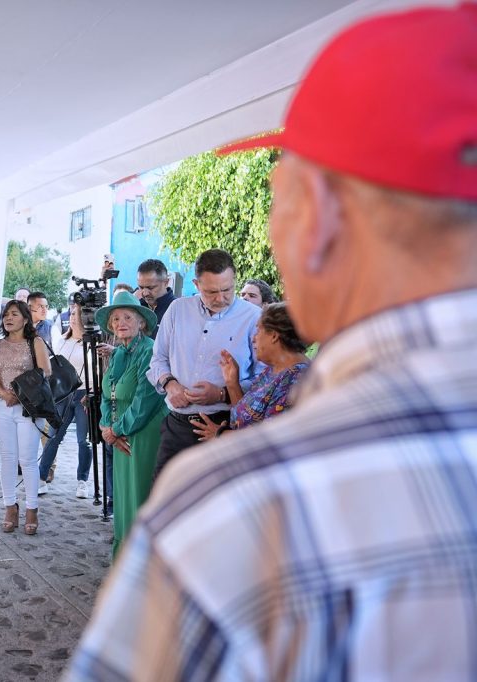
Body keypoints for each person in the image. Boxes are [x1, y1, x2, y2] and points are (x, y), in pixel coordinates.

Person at [67, 6, 477, 679]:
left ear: (314, 216)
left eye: (279, 189)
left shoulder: (242, 508)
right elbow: (160, 365)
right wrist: (170, 385)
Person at [147, 248, 262, 481]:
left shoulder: (254, 317)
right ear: (196, 284)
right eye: (211, 292)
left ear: (235, 280)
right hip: (176, 427)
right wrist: (170, 384)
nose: (220, 298)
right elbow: (157, 359)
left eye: (227, 290)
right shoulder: (178, 309)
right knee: (167, 502)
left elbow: (264, 381)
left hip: (225, 426)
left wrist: (221, 394)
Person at [93, 292, 166, 556]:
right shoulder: (120, 353)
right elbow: (106, 394)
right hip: (120, 433)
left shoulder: (149, 351)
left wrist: (116, 430)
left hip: (143, 433)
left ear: (141, 323)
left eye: (127, 317)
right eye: (115, 319)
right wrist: (105, 427)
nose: (120, 322)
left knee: (138, 497)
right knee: (123, 498)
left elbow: (144, 400)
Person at [192, 301, 310, 440]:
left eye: (258, 331)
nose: (254, 338)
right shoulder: (273, 370)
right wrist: (232, 382)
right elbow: (247, 416)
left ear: (274, 335)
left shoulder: (295, 379)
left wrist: (220, 434)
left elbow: (270, 439)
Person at [0, 301, 52, 535]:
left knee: (28, 460)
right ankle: (9, 506)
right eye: (5, 314)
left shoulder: (35, 342)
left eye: (14, 314)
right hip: (2, 406)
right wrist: (4, 393)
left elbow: (45, 371)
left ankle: (32, 508)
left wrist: (20, 391)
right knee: (7, 458)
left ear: (26, 319)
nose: (8, 318)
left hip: (29, 408)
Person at [38, 302, 94, 499]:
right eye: (71, 313)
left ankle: (82, 481)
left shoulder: (91, 342)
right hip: (62, 395)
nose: (72, 317)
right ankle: (41, 477)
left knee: (83, 440)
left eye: (77, 314)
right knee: (53, 437)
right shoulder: (61, 341)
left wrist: (92, 392)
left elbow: (98, 370)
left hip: (83, 395)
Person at [135, 258, 176, 336]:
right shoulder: (136, 308)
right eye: (141, 287)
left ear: (166, 282)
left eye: (151, 288)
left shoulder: (178, 310)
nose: (145, 293)